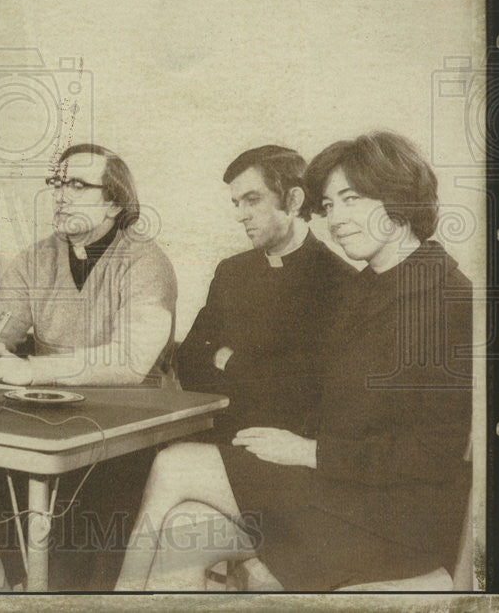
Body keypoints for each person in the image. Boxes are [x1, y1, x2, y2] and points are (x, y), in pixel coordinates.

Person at [115, 131, 472, 592]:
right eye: (330, 204)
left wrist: (308, 451)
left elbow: (436, 455)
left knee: (175, 464)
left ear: (401, 198)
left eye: (352, 199)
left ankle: (115, 601)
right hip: (343, 490)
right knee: (183, 529)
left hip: (393, 521)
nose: (335, 218)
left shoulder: (448, 297)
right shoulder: (369, 285)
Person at [0, 143, 178, 591]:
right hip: (53, 419)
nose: (60, 195)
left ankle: (68, 591)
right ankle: (28, 581)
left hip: (130, 424)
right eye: (57, 183)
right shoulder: (35, 258)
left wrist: (31, 370)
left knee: (91, 498)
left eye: (77, 184)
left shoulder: (147, 261)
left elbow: (131, 362)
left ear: (115, 202)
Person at [175, 145, 355, 442]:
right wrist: (260, 374)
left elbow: (308, 389)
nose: (241, 216)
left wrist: (227, 360)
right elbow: (188, 359)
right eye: (237, 204)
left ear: (294, 199)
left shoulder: (340, 281)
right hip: (221, 431)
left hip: (288, 446)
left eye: (252, 200)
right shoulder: (231, 272)